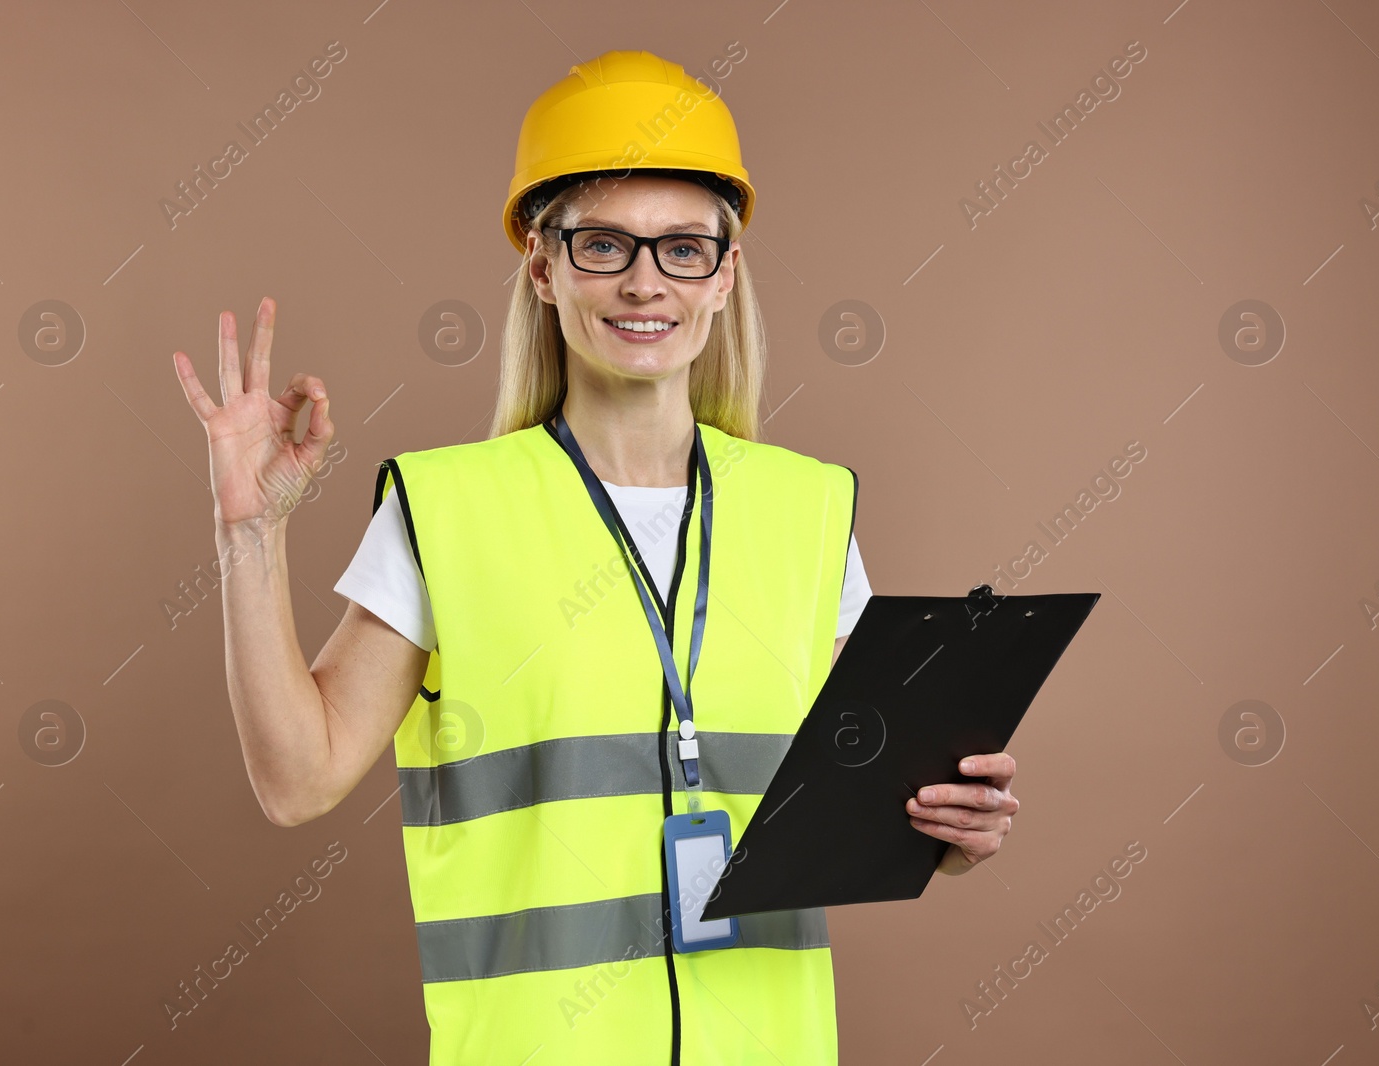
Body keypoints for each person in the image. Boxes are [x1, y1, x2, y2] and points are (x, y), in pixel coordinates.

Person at [172, 49, 1019, 1066]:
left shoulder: (809, 512)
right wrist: (249, 535)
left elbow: (873, 805)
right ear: (543, 266)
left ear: (725, 272)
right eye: (603, 245)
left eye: (681, 250)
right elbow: (295, 781)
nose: (643, 282)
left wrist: (954, 826)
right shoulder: (447, 510)